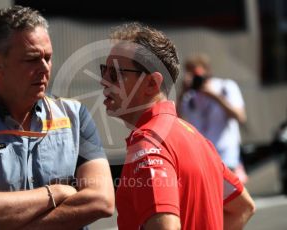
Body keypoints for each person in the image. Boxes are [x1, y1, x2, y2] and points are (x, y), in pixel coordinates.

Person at [0, 5, 114, 229]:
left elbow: (102, 201)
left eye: (48, 57)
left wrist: (3, 218)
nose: (45, 68)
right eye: (32, 59)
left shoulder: (76, 117)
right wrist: (58, 192)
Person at [100, 22, 255, 230]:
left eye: (115, 74)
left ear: (151, 84)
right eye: (104, 71)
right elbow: (243, 208)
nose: (104, 82)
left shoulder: (148, 141)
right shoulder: (196, 137)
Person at [177, 54, 248, 183]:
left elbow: (240, 116)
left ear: (207, 71)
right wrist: (181, 94)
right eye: (189, 73)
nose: (194, 77)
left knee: (229, 201)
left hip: (227, 157)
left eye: (196, 72)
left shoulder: (225, 87)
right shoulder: (189, 97)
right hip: (202, 158)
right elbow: (175, 121)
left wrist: (214, 96)